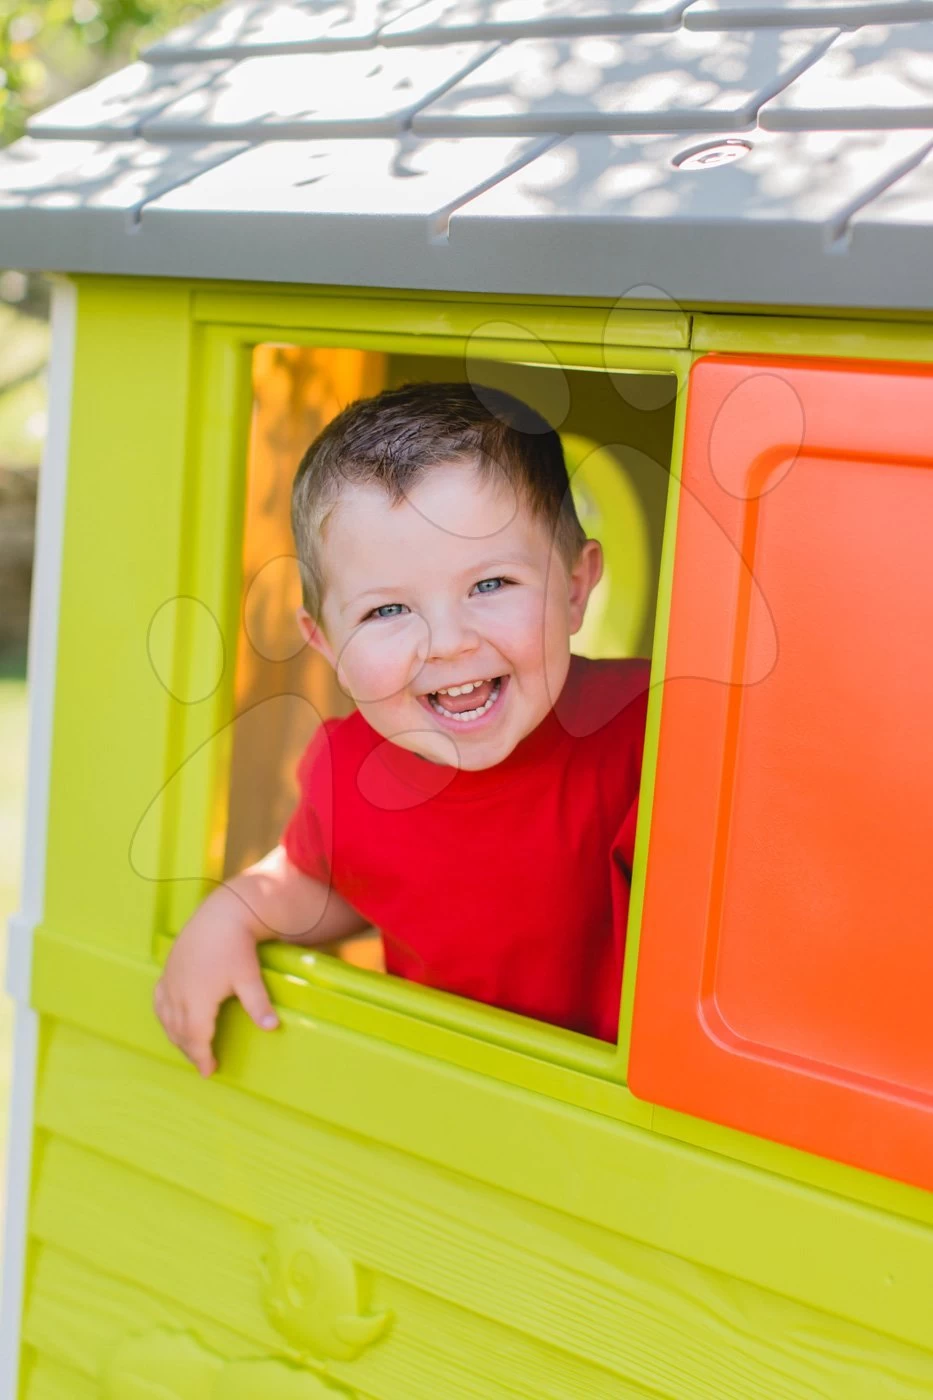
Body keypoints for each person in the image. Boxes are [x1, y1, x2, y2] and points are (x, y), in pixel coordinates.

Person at [153, 382, 650, 1076]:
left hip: (625, 1125)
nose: (446, 642)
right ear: (325, 644)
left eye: (490, 585)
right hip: (440, 1106)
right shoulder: (346, 767)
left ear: (572, 588)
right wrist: (230, 916)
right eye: (386, 611)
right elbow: (320, 881)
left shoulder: (650, 729)